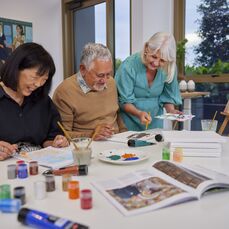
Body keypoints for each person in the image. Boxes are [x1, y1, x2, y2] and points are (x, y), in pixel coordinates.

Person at [0, 42, 68, 160]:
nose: (38, 84)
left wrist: (56, 143)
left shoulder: (42, 100)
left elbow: (50, 137)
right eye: (34, 77)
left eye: (44, 80)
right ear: (17, 68)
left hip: (39, 165)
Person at [53, 43, 127, 140]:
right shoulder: (65, 91)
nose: (105, 81)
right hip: (86, 147)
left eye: (108, 74)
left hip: (117, 142)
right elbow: (60, 135)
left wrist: (126, 135)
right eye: (100, 75)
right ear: (83, 69)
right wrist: (91, 135)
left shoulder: (111, 82)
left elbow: (116, 115)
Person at [115, 32, 182, 131]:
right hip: (128, 123)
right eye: (154, 57)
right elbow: (123, 101)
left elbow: (168, 97)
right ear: (146, 48)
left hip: (155, 123)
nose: (156, 63)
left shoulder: (168, 68)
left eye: (162, 60)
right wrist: (139, 113)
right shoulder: (128, 66)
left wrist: (171, 111)